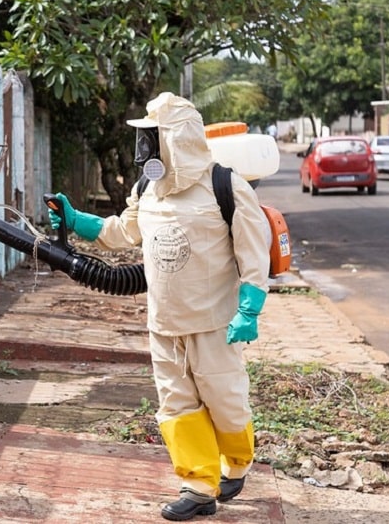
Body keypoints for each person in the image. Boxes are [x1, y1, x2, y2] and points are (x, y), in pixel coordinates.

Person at [48, 93, 271, 521]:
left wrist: (250, 309)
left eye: (151, 138)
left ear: (175, 138)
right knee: (176, 403)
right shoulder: (148, 189)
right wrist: (78, 221)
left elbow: (253, 253)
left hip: (215, 323)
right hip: (164, 323)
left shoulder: (225, 185)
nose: (144, 149)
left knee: (224, 399)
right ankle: (199, 486)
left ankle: (237, 463)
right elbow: (124, 231)